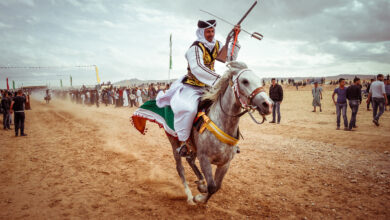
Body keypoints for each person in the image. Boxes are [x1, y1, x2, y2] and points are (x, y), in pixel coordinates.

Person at [156, 19, 241, 156]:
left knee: (227, 104)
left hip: (209, 86)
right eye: (208, 31)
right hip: (192, 87)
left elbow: (230, 58)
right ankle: (184, 142)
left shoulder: (217, 45)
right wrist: (220, 80)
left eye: (212, 31)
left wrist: (234, 39)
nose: (211, 34)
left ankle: (231, 142)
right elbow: (198, 69)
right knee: (189, 110)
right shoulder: (194, 48)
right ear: (201, 32)